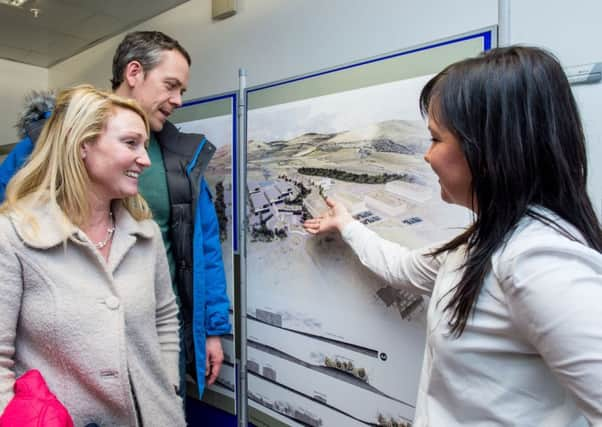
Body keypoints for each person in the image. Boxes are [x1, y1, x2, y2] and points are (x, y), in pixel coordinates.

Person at [304, 46, 602, 426]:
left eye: (435, 139)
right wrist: (347, 225)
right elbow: (402, 267)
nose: (427, 157)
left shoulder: (538, 262)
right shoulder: (481, 244)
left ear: (490, 148)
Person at [0, 30, 231, 398]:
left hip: (155, 332)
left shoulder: (181, 157)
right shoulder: (50, 141)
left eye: (182, 90)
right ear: (134, 72)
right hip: (66, 350)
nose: (178, 100)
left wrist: (212, 328)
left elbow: (204, 246)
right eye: (171, 85)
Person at [0, 85, 186, 426]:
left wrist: (169, 385)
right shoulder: (12, 235)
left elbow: (164, 318)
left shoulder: (146, 234)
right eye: (131, 143)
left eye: (144, 145)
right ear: (82, 143)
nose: (145, 159)